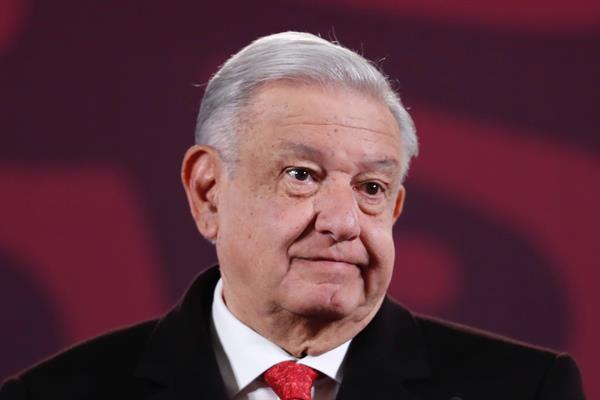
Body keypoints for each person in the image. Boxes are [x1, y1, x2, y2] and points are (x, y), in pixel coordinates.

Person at [0, 31, 585, 400]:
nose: (344, 222)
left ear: (395, 209)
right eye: (301, 175)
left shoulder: (526, 389)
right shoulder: (51, 395)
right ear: (208, 192)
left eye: (371, 188)